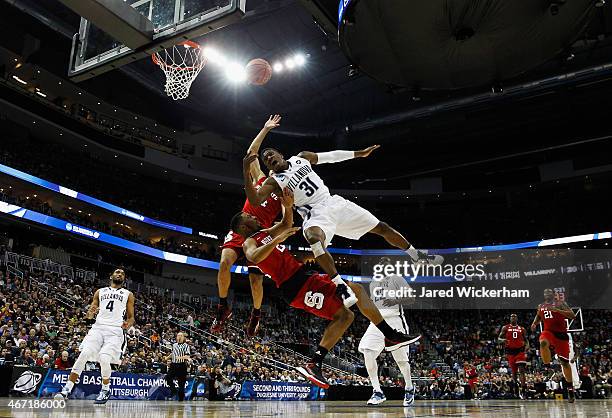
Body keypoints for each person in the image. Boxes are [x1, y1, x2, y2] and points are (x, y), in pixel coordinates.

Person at [231, 189, 420, 389]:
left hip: (304, 277)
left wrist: (287, 206)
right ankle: (316, 363)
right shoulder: (249, 242)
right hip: (294, 286)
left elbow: (287, 225)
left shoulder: (264, 232)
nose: (253, 215)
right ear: (243, 226)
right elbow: (254, 257)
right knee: (346, 313)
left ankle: (388, 336)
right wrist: (278, 239)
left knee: (353, 295)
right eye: (249, 216)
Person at [242, 142, 443, 309]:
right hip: (316, 215)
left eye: (271, 154)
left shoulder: (301, 157)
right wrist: (245, 171)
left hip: (334, 203)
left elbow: (331, 156)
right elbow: (255, 199)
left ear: (280, 154)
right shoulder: (273, 181)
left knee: (382, 227)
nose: (269, 157)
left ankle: (417, 256)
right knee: (313, 239)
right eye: (266, 158)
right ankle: (340, 286)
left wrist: (359, 154)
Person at [212, 115, 283, 336]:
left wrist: (277, 234)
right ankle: (223, 307)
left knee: (255, 281)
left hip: (261, 233)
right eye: (268, 163)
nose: (270, 166)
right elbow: (251, 154)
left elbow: (283, 219)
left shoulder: (283, 192)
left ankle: (256, 314)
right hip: (242, 227)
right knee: (225, 263)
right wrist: (265, 129)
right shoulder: (260, 179)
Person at [55, 268, 135, 404]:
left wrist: (127, 325)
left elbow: (131, 317)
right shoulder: (100, 292)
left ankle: (105, 389)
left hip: (115, 330)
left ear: (124, 279)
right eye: (117, 272)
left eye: (122, 273)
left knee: (104, 358)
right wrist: (90, 314)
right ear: (111, 276)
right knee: (84, 354)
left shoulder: (128, 294)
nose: (119, 274)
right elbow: (91, 311)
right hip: (98, 327)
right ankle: (66, 389)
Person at [358, 257, 416, 406]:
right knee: (368, 352)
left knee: (401, 360)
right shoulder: (373, 283)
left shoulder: (397, 279)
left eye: (387, 265)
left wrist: (395, 301)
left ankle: (409, 387)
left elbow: (411, 298)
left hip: (395, 321)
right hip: (377, 322)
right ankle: (377, 391)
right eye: (382, 264)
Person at [530, 288, 576, 403]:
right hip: (548, 332)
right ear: (544, 295)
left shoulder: (560, 303)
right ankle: (548, 368)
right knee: (543, 342)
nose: (547, 294)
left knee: (565, 363)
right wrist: (535, 323)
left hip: (561, 335)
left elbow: (572, 315)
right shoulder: (541, 306)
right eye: (545, 292)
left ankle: (570, 389)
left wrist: (556, 309)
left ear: (553, 294)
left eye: (549, 292)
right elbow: (539, 316)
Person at [498, 313, 529, 398]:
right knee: (514, 372)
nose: (513, 318)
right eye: (512, 317)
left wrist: (527, 346)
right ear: (510, 319)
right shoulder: (505, 327)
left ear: (517, 319)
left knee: (522, 370)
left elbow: (526, 340)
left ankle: (523, 389)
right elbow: (498, 338)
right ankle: (516, 387)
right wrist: (503, 340)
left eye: (515, 317)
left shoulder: (522, 329)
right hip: (510, 352)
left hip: (520, 352)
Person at [165, 332, 190, 401]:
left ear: (183, 337)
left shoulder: (186, 346)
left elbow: (187, 356)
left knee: (181, 383)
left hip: (181, 365)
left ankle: (181, 398)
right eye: (178, 335)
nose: (179, 337)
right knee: (168, 378)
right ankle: (174, 390)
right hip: (173, 364)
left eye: (181, 335)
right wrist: (167, 357)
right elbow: (173, 353)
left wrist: (180, 357)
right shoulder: (174, 345)